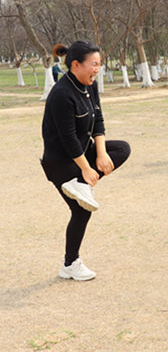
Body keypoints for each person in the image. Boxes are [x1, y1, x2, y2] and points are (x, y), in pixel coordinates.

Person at [41, 41, 131, 281]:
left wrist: (100, 155)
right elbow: (67, 138)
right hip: (60, 162)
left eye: (99, 64)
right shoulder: (61, 93)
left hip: (83, 154)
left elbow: (98, 120)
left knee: (121, 149)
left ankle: (81, 184)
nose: (97, 69)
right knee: (82, 212)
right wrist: (86, 168)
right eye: (94, 64)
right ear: (76, 64)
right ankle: (70, 264)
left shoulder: (89, 85)